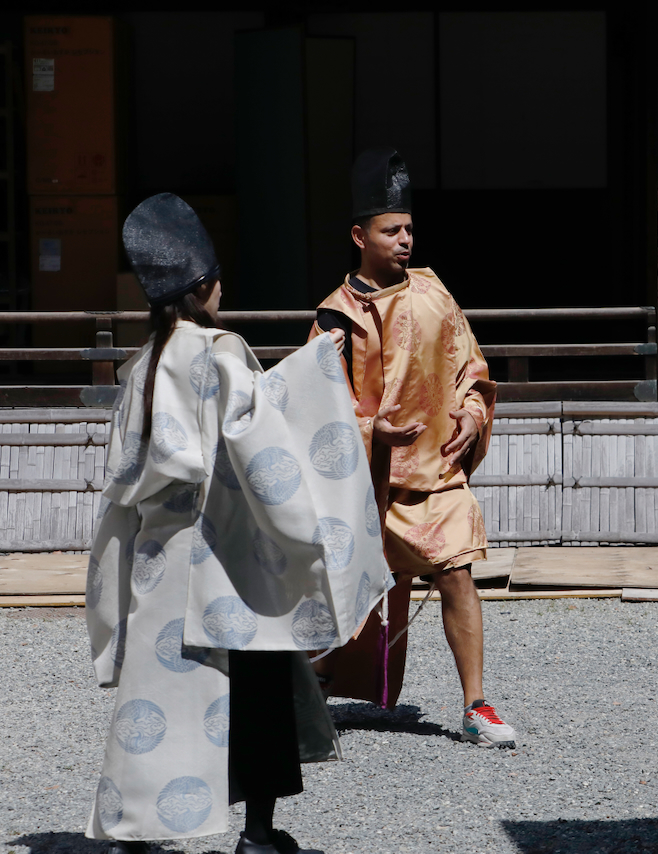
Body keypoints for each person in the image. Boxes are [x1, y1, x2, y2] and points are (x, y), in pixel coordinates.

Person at [86, 194, 391, 854]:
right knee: (256, 688)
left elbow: (123, 477)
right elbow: (262, 443)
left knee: (154, 696)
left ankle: (133, 833)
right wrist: (319, 367)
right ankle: (257, 832)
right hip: (224, 555)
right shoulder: (220, 350)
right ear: (203, 287)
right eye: (218, 280)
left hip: (158, 556)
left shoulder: (142, 364)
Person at [311, 148, 514, 748]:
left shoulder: (434, 292)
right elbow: (313, 407)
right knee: (348, 599)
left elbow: (471, 367)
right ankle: (311, 688)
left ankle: (476, 704)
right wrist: (369, 430)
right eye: (390, 230)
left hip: (437, 472)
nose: (404, 240)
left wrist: (473, 414)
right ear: (359, 236)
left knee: (458, 574)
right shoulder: (336, 317)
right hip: (369, 485)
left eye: (408, 229)